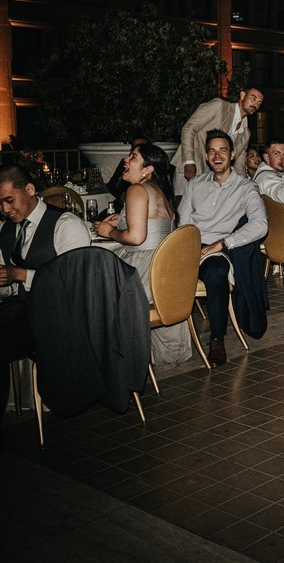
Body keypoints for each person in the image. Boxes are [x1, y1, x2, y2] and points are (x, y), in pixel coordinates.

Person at [0, 164, 91, 447]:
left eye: (8, 200)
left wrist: (20, 275)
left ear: (29, 190)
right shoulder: (7, 229)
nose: (4, 209)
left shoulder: (66, 224)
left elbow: (75, 282)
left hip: (61, 315)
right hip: (22, 308)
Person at [93, 143, 191, 365]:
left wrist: (110, 231)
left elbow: (136, 238)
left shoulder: (136, 190)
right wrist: (121, 221)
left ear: (148, 169)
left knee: (91, 283)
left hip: (143, 270)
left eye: (133, 157)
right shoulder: (160, 192)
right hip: (163, 269)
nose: (125, 161)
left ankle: (106, 360)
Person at [177, 129, 268, 367]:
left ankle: (217, 339)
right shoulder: (194, 185)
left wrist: (224, 242)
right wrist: (186, 248)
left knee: (217, 270)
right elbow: (183, 224)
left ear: (233, 154)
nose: (217, 156)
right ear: (206, 156)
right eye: (212, 151)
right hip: (188, 248)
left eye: (223, 150)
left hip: (217, 251)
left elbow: (260, 224)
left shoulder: (246, 188)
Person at [170, 87, 263, 197]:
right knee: (182, 208)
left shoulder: (246, 132)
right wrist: (189, 162)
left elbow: (240, 162)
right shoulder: (219, 106)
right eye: (253, 98)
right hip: (190, 168)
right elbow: (189, 128)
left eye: (259, 103)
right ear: (242, 95)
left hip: (212, 179)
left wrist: (242, 186)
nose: (256, 104)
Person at [106, 136, 150, 213]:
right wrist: (123, 196)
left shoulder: (141, 189)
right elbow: (112, 186)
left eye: (134, 156)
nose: (126, 159)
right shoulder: (125, 165)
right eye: (133, 147)